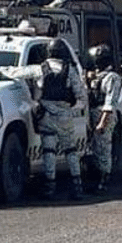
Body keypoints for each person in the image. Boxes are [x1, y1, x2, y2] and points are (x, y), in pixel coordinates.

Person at [33, 38, 90, 199]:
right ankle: (77, 186)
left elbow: (37, 95)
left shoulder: (41, 68)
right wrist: (71, 110)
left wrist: (38, 107)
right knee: (71, 151)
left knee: (48, 152)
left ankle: (50, 187)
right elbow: (81, 96)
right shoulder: (70, 70)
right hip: (64, 115)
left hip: (46, 115)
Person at [85, 43, 122, 193]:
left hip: (104, 115)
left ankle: (103, 180)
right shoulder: (97, 76)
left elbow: (110, 103)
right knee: (94, 148)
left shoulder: (112, 78)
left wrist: (102, 123)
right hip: (93, 114)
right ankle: (95, 179)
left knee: (103, 148)